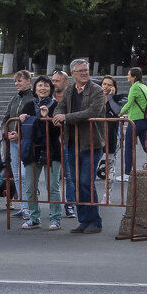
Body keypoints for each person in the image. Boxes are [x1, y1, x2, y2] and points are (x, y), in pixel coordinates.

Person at [52, 58, 106, 234]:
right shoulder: (69, 90)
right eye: (80, 70)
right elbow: (59, 108)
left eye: (86, 70)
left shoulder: (96, 90)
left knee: (85, 182)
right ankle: (83, 221)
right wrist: (59, 115)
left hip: (91, 143)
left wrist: (66, 118)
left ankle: (95, 221)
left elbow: (92, 112)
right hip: (71, 143)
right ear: (73, 74)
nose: (84, 73)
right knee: (76, 183)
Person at [19, 75, 63, 230]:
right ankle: (34, 217)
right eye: (40, 85)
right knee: (31, 186)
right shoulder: (29, 105)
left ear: (51, 88)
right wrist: (22, 120)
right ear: (35, 89)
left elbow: (57, 131)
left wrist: (48, 118)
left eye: (46, 85)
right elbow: (22, 130)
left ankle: (55, 218)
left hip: (52, 149)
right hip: (32, 150)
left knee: (53, 186)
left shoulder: (56, 105)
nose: (43, 88)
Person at [1, 70, 34, 219]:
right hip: (12, 143)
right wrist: (6, 132)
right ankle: (24, 206)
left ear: (28, 81)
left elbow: (34, 121)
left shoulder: (33, 98)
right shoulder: (14, 99)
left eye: (20, 81)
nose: (17, 83)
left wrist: (20, 134)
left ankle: (32, 207)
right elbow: (6, 118)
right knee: (17, 175)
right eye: (15, 81)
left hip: (27, 142)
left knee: (25, 174)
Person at [49, 69, 74, 218]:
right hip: (51, 142)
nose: (54, 83)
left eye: (57, 80)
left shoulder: (71, 97)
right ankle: (54, 207)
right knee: (53, 177)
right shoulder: (47, 98)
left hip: (67, 141)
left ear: (66, 82)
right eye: (53, 80)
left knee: (69, 176)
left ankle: (70, 204)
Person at [100, 75, 124, 180]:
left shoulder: (116, 99)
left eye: (109, 85)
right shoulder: (96, 98)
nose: (106, 87)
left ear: (113, 87)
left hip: (111, 132)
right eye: (104, 84)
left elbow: (117, 111)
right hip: (98, 133)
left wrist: (111, 97)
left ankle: (110, 176)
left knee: (110, 156)